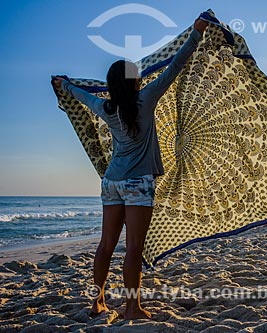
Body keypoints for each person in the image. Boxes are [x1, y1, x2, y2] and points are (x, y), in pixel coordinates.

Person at [53, 18, 208, 320]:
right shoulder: (146, 99)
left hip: (111, 181)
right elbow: (174, 68)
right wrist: (196, 33)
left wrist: (65, 85)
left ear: (111, 85)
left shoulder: (105, 108)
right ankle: (132, 307)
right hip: (138, 183)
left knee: (106, 245)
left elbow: (83, 96)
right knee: (134, 248)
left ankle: (97, 302)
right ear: (136, 81)